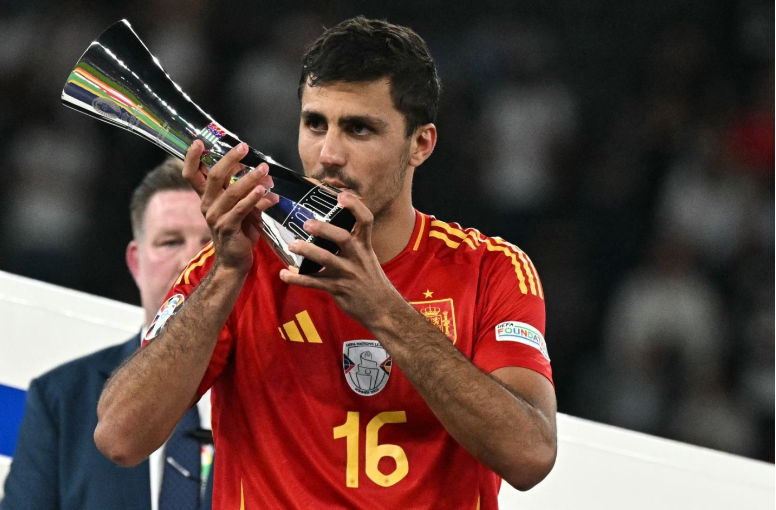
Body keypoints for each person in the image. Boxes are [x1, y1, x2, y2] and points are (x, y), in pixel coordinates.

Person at [95, 17, 557, 510]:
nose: (328, 155)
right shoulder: (237, 262)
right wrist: (225, 276)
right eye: (315, 124)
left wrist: (382, 308)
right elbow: (120, 438)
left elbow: (529, 455)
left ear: (420, 144)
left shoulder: (490, 270)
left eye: (359, 129)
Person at [0, 159, 214, 510]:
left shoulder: (280, 391)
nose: (192, 261)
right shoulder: (61, 399)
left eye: (211, 243)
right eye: (171, 241)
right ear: (135, 262)